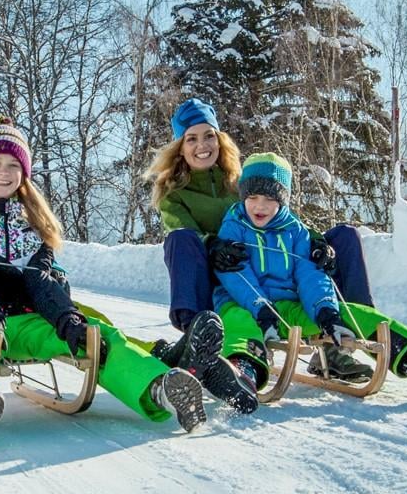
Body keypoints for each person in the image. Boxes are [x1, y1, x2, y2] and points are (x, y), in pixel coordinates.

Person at [0, 120, 210, 447]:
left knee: (96, 335)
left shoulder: (34, 224)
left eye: (14, 164)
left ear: (24, 173)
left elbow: (40, 279)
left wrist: (67, 319)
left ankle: (158, 387)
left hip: (30, 321)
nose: (4, 171)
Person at [211, 153, 407, 402]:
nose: (260, 206)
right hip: (243, 303)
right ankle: (242, 372)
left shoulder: (297, 232)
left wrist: (326, 312)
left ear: (283, 200)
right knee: (239, 322)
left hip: (287, 309)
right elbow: (235, 275)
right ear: (243, 197)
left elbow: (311, 275)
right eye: (253, 197)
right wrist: (261, 309)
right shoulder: (233, 227)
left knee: (355, 315)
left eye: (270, 199)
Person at [143, 98, 376, 383]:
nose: (202, 145)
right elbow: (180, 229)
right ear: (180, 147)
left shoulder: (243, 181)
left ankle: (342, 340)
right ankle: (199, 337)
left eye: (209, 136)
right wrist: (213, 244)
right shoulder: (173, 193)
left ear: (219, 140)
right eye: (191, 138)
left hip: (269, 269)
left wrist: (317, 242)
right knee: (180, 240)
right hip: (221, 276)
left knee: (345, 237)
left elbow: (286, 220)